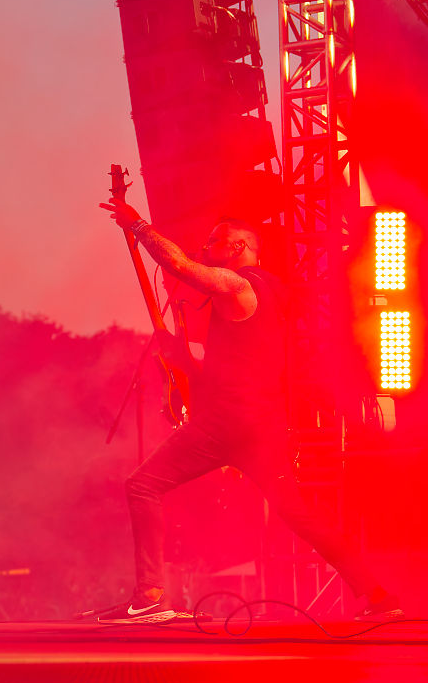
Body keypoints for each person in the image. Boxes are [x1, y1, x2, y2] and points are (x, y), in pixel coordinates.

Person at [93, 203, 402, 624]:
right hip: (260, 427)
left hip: (226, 423)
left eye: (214, 240)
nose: (205, 246)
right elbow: (238, 367)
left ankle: (149, 595)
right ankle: (378, 594)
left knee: (142, 486)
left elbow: (180, 264)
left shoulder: (240, 285)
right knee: (300, 514)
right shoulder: (271, 292)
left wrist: (139, 225)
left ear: (239, 246)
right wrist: (182, 361)